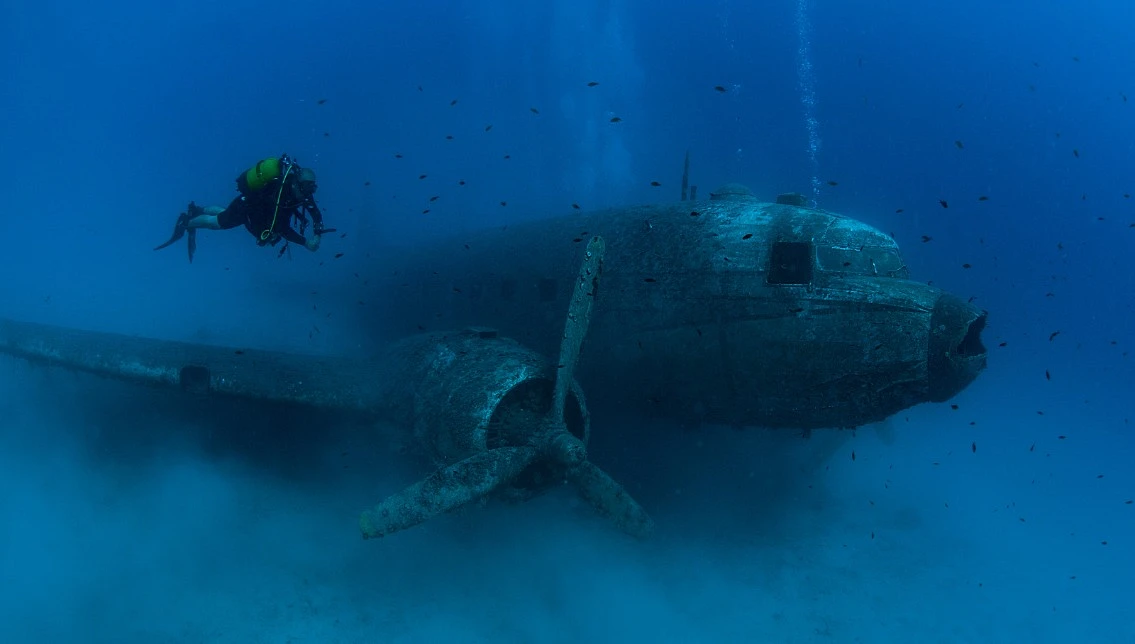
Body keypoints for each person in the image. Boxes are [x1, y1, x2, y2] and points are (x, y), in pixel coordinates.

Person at [155, 154, 331, 262]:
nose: (309, 193)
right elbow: (282, 228)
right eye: (307, 188)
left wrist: (317, 234)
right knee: (216, 223)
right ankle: (187, 222)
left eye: (312, 189)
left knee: (224, 213)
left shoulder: (300, 193)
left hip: (254, 211)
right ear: (297, 184)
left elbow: (315, 213)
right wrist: (306, 243)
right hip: (246, 208)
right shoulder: (282, 194)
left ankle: (198, 210)